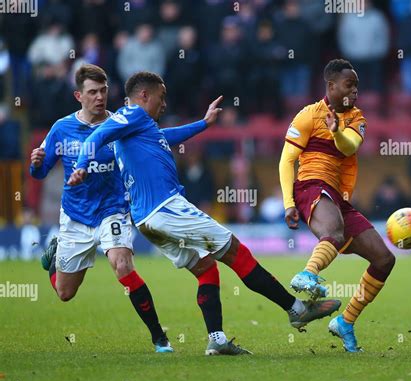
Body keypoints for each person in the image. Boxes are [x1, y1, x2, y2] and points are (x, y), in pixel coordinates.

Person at [68, 71, 341, 356]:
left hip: (147, 220)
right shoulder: (133, 114)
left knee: (206, 267)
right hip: (166, 207)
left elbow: (166, 136)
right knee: (235, 250)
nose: (164, 105)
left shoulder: (141, 129)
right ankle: (296, 309)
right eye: (161, 98)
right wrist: (83, 164)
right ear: (144, 96)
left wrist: (203, 123)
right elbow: (97, 136)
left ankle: (217, 339)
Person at [29, 64, 173, 353]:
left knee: (122, 265)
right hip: (75, 216)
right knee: (65, 293)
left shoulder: (122, 123)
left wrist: (201, 125)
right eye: (92, 92)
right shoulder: (61, 128)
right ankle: (57, 251)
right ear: (78, 95)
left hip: (112, 210)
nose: (99, 97)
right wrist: (35, 163)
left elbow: (162, 139)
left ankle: (159, 338)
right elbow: (41, 172)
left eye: (104, 90)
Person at [279, 59, 396, 352]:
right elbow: (287, 161)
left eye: (356, 85)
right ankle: (308, 274)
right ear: (331, 86)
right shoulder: (307, 116)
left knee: (384, 260)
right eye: (349, 85)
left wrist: (335, 131)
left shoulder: (357, 118)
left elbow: (350, 147)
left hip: (338, 197)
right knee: (334, 231)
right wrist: (288, 203)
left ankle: (345, 321)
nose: (355, 91)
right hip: (310, 186)